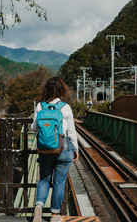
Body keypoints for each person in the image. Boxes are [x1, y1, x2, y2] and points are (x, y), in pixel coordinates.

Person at [31, 77, 78, 222]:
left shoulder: (40, 106)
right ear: (61, 90)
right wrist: (75, 149)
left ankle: (38, 207)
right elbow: (71, 132)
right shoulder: (65, 107)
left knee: (44, 179)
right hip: (64, 149)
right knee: (59, 182)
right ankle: (55, 215)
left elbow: (33, 128)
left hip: (45, 150)